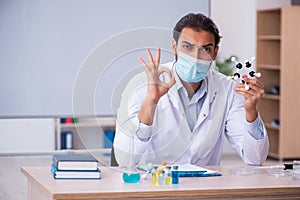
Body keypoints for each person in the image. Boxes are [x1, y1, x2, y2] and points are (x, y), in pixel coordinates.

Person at [113, 13, 269, 167]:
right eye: (187, 47)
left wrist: (251, 111)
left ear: (214, 53)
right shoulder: (141, 84)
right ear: (174, 47)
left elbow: (255, 159)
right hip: (154, 185)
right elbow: (125, 159)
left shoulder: (227, 89)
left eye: (205, 49)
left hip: (203, 187)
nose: (195, 57)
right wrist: (151, 101)